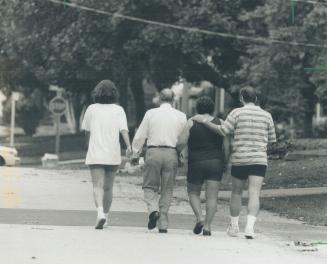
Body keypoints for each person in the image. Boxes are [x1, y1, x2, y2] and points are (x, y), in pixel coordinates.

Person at [193, 86, 276, 239]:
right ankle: (250, 228)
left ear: (241, 98)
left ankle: (234, 226)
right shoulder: (267, 115)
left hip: (240, 159)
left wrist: (204, 121)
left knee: (236, 193)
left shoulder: (236, 113)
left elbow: (222, 130)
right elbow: (272, 139)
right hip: (259, 160)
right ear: (256, 98)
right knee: (254, 193)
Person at [132, 89, 187, 233]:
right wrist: (181, 153)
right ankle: (163, 221)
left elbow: (140, 135)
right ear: (173, 99)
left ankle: (153, 210)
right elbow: (183, 138)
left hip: (153, 152)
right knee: (167, 188)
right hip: (171, 153)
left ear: (160, 99)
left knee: (149, 185)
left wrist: (135, 152)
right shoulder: (181, 116)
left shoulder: (151, 114)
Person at [177, 96, 231, 236]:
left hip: (196, 162)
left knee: (193, 193)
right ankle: (207, 226)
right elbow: (226, 146)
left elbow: (182, 141)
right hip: (215, 162)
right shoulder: (220, 122)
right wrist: (225, 162)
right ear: (212, 109)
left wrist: (178, 152)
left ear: (197, 108)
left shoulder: (191, 122)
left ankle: (199, 218)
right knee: (212, 196)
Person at [81, 80, 131, 229]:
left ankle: (100, 214)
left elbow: (86, 131)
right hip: (112, 153)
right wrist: (128, 146)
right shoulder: (119, 110)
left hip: (96, 152)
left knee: (97, 186)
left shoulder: (91, 109)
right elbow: (124, 130)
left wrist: (88, 145)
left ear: (97, 93)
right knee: (108, 187)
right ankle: (106, 218)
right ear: (114, 93)